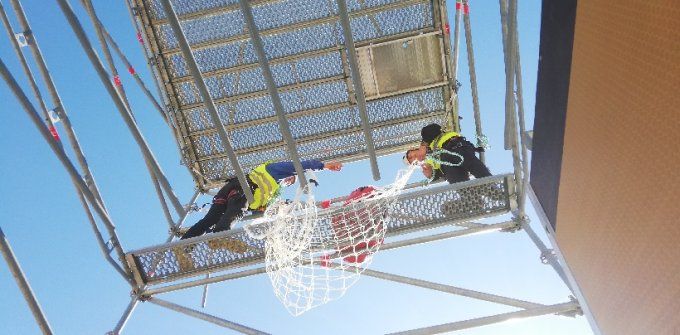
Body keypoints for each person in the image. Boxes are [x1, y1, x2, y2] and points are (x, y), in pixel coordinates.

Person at [181, 159, 343, 240]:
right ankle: (220, 237)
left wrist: (260, 209)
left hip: (229, 191)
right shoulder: (274, 169)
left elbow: (258, 202)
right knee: (236, 211)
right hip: (241, 190)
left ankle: (185, 244)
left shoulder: (271, 191)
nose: (289, 182)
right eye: (290, 179)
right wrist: (325, 165)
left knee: (210, 219)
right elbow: (299, 165)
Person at [404, 123, 491, 184]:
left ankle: (492, 186)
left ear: (413, 149)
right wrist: (431, 175)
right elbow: (440, 174)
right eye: (411, 160)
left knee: (474, 166)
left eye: (410, 155)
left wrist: (423, 145)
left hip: (455, 147)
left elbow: (434, 128)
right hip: (447, 165)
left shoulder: (428, 138)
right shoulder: (429, 164)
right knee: (457, 182)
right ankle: (473, 200)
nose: (413, 157)